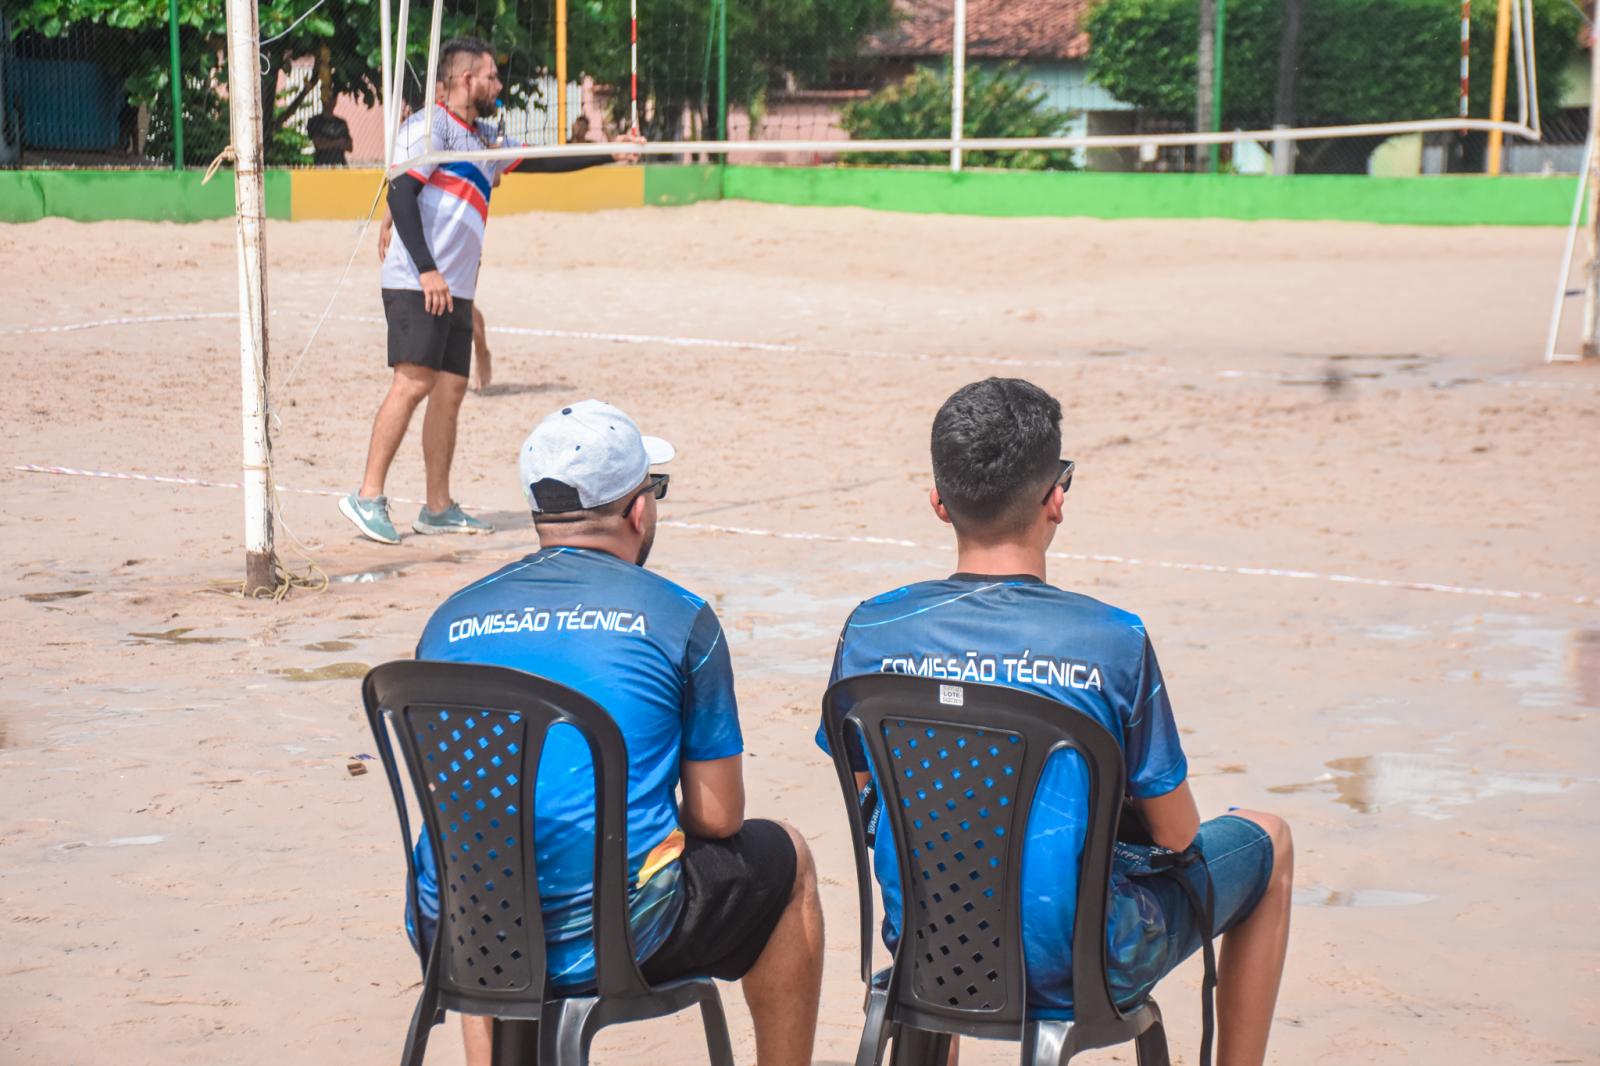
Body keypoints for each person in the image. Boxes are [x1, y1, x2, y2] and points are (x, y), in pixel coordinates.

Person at [817, 378, 1293, 1066]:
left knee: (940, 835)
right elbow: (1179, 836)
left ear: (939, 503)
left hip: (929, 946)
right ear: (1056, 499)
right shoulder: (1112, 640)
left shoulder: (871, 630)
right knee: (1269, 842)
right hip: (1083, 964)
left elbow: (872, 789)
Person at [410, 399, 825, 1066]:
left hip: (455, 930)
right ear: (638, 511)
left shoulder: (449, 619)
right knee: (789, 858)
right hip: (619, 936)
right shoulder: (678, 617)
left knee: (482, 857)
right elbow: (720, 817)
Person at [343, 36, 640, 544]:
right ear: (466, 80)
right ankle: (368, 496)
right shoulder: (430, 127)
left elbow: (545, 159)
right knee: (412, 383)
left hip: (455, 287)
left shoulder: (483, 137)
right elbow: (402, 190)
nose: (499, 85)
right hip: (420, 281)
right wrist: (427, 270)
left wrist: (609, 152)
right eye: (492, 76)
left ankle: (437, 507)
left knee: (451, 391)